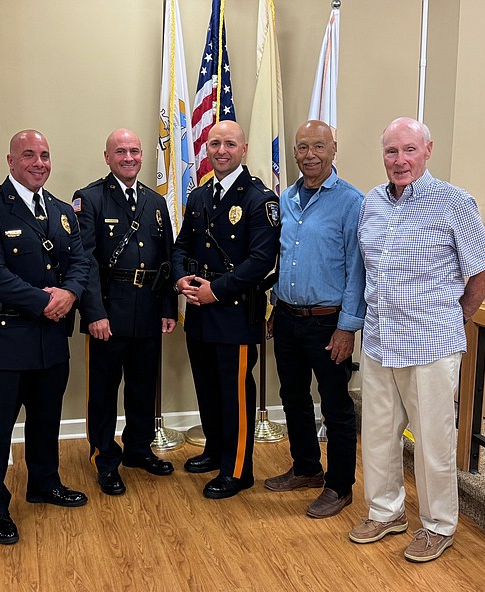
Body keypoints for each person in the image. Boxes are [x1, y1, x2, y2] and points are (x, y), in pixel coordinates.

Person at [351, 117, 485, 562]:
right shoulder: (372, 202)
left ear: (428, 150)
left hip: (431, 343)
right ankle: (386, 510)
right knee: (377, 435)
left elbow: (483, 268)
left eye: (409, 150)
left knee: (432, 440)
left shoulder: (453, 201)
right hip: (379, 339)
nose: (400, 160)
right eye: (392, 152)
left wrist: (458, 316)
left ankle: (438, 525)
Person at [0, 129, 90, 545]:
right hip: (7, 335)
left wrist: (69, 293)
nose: (39, 162)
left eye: (45, 155)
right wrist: (43, 301)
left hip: (51, 336)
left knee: (46, 418)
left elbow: (81, 260)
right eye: (29, 155)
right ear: (11, 160)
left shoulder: (61, 210)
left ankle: (44, 484)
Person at [171, 120, 280, 499]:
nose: (221, 150)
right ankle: (216, 450)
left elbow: (261, 260)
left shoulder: (259, 199)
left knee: (234, 394)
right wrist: (181, 278)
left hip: (233, 312)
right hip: (199, 310)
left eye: (229, 144)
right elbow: (182, 245)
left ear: (243, 149)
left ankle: (238, 470)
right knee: (207, 387)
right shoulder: (200, 197)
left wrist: (214, 291)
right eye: (214, 143)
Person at [264, 120, 365, 519]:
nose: (310, 155)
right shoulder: (285, 199)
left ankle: (339, 486)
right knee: (293, 397)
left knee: (336, 407)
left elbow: (358, 271)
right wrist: (275, 304)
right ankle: (306, 467)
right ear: (294, 152)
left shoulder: (351, 202)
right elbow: (285, 257)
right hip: (287, 317)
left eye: (318, 147)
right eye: (302, 147)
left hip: (329, 323)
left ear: (333, 150)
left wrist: (347, 327)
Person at [73, 129, 178, 496]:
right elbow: (83, 262)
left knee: (142, 386)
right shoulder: (90, 199)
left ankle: (137, 448)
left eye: (134, 151)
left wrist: (168, 307)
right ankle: (105, 459)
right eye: (121, 151)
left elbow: (167, 259)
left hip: (148, 309)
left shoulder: (155, 201)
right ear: (107, 157)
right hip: (108, 312)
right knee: (103, 391)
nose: (129, 157)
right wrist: (94, 314)